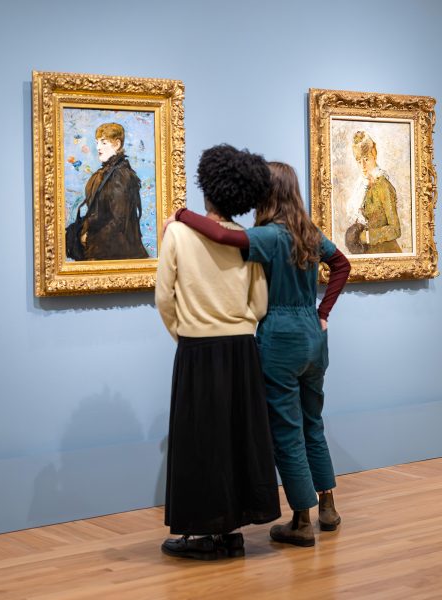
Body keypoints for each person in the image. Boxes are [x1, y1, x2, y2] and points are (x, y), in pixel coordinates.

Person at [167, 161, 351, 547]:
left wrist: (183, 215)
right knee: (312, 422)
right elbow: (341, 264)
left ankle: (301, 521)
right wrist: (322, 312)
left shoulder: (270, 236)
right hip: (313, 338)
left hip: (280, 338)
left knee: (286, 432)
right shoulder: (308, 232)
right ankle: (328, 507)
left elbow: (222, 234)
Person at [155, 144, 281, 560]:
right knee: (238, 437)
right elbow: (259, 302)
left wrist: (185, 333)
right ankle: (234, 531)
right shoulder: (247, 240)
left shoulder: (177, 233)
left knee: (201, 440)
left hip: (197, 347)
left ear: (206, 187)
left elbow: (163, 298)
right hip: (241, 347)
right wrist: (238, 326)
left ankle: (206, 534)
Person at [66, 122, 149, 261]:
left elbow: (118, 219)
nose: (98, 147)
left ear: (117, 145)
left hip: (118, 253)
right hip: (106, 249)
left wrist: (90, 238)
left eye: (104, 142)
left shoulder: (120, 176)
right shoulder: (106, 173)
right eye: (97, 142)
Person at [344, 130, 402, 254]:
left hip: (386, 253)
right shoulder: (362, 186)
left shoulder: (383, 185)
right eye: (359, 161)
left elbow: (395, 229)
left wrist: (366, 237)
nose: (363, 166)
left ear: (374, 154)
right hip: (368, 254)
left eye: (366, 159)